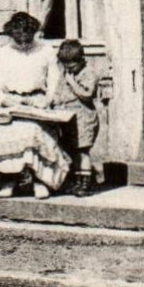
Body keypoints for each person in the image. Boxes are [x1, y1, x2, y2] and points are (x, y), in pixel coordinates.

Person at [0, 11, 71, 198]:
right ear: (11, 35)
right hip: (9, 103)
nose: (23, 43)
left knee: (31, 129)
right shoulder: (2, 54)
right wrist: (7, 100)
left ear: (33, 33)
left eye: (27, 39)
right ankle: (8, 180)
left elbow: (55, 83)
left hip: (37, 103)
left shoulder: (46, 51)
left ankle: (40, 179)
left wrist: (44, 101)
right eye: (18, 39)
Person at [51, 39, 99, 196]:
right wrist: (54, 101)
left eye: (72, 66)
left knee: (82, 151)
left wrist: (72, 83)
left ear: (81, 60)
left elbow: (87, 94)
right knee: (72, 151)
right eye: (65, 66)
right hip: (68, 120)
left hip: (83, 119)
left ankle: (86, 183)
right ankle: (76, 181)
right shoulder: (65, 73)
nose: (68, 69)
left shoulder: (89, 73)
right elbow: (59, 91)